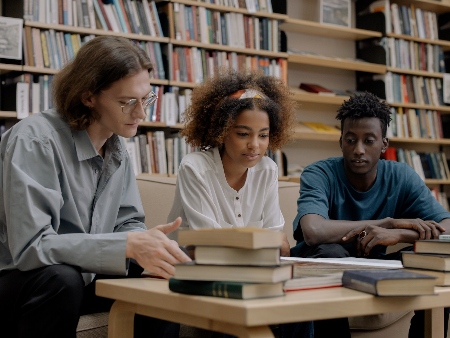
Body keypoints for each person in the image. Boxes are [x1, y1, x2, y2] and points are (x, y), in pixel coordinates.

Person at [0, 36, 191, 338]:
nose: (142, 113)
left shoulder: (116, 147)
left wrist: (147, 244)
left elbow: (127, 222)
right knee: (62, 278)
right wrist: (126, 245)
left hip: (81, 276)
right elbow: (32, 247)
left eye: (147, 98)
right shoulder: (35, 140)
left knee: (161, 266)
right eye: (128, 101)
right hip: (22, 279)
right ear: (88, 97)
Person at [166, 68, 312, 337]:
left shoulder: (267, 170)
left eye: (263, 135)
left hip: (252, 274)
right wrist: (261, 244)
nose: (254, 145)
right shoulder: (194, 168)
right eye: (243, 134)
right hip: (198, 276)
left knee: (301, 307)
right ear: (221, 130)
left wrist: (257, 245)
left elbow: (279, 246)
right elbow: (205, 249)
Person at [292, 92, 450, 338]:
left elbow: (447, 228)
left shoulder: (401, 176)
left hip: (373, 268)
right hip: (325, 266)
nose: (358, 150)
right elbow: (314, 232)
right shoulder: (319, 173)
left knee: (434, 255)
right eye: (351, 140)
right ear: (341, 141)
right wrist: (387, 222)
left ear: (384, 144)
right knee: (331, 254)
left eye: (369, 140)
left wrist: (397, 233)